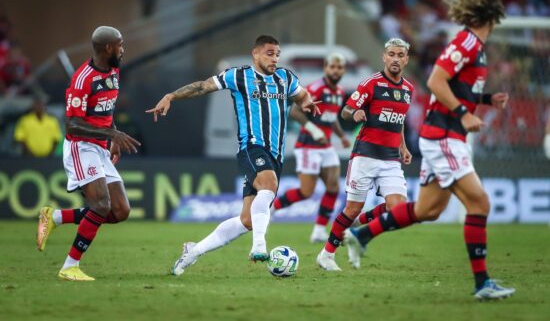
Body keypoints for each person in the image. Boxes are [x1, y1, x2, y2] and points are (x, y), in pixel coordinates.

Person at [344, 0, 516, 300]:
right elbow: (436, 80)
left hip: (445, 136)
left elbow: (457, 87)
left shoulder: (473, 45)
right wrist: (464, 114)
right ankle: (482, 285)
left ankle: (362, 234)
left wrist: (488, 99)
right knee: (479, 203)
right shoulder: (466, 42)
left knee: (428, 210)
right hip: (444, 136)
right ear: (493, 14)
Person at [146, 35, 319, 275]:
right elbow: (203, 86)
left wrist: (308, 103)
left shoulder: (286, 78)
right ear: (255, 54)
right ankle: (259, 246)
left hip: (276, 154)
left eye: (277, 54)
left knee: (247, 220)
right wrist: (171, 96)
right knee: (268, 186)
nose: (275, 59)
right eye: (269, 53)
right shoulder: (238, 76)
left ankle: (193, 251)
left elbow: (301, 96)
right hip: (251, 147)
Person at [36, 26, 141, 281]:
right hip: (80, 147)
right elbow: (71, 124)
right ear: (108, 48)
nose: (123, 49)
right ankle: (69, 266)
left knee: (120, 211)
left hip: (100, 146)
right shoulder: (82, 80)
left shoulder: (114, 71)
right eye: (120, 44)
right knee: (101, 205)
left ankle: (56, 216)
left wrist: (112, 134)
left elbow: (105, 110)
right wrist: (112, 135)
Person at [316, 38, 414, 271]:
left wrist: (403, 146)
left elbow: (398, 121)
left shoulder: (408, 89)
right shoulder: (371, 83)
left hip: (391, 158)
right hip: (365, 156)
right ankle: (326, 254)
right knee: (352, 209)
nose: (395, 59)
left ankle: (354, 230)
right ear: (384, 56)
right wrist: (356, 113)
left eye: (400, 55)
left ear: (406, 59)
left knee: (398, 209)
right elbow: (346, 110)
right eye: (391, 54)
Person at [272, 53, 350, 243]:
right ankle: (269, 209)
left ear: (343, 70)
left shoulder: (339, 92)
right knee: (306, 192)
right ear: (325, 68)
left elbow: (331, 118)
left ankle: (318, 231)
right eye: (332, 67)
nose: (335, 70)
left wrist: (341, 136)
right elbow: (295, 111)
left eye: (339, 67)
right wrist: (314, 131)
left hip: (327, 147)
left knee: (333, 188)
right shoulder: (316, 88)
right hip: (308, 146)